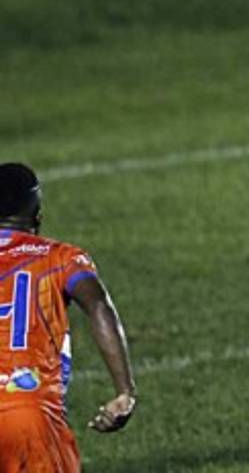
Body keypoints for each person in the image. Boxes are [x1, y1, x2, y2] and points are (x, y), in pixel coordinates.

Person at [0, 162, 137, 473]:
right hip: (25, 414)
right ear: (38, 217)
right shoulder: (60, 257)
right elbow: (98, 305)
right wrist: (125, 391)